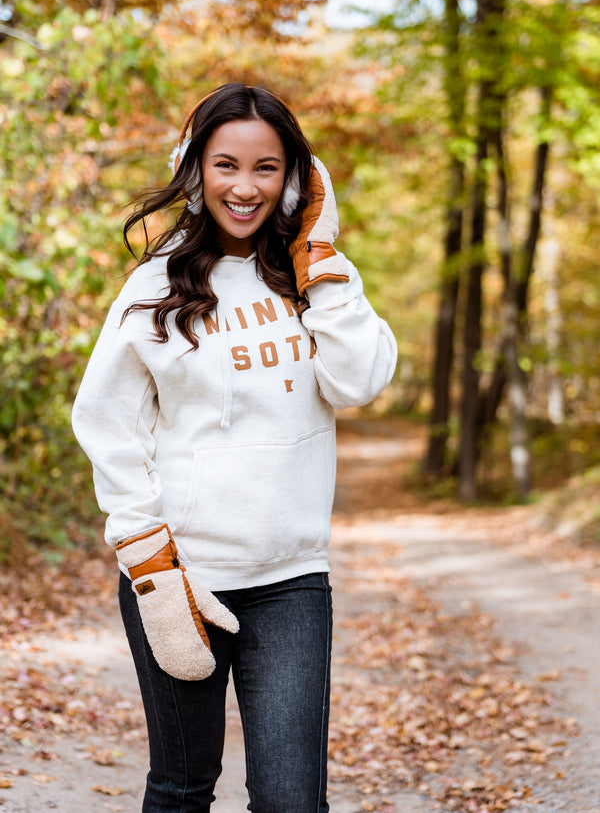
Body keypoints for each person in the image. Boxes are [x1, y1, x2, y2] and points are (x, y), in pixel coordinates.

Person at [72, 82, 397, 813]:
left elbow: (360, 380)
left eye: (267, 168)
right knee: (183, 786)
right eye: (226, 165)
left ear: (296, 180)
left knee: (290, 800)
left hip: (291, 582)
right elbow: (105, 422)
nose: (245, 187)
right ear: (194, 169)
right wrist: (149, 559)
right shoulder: (154, 287)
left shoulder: (314, 278)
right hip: (180, 575)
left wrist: (320, 259)